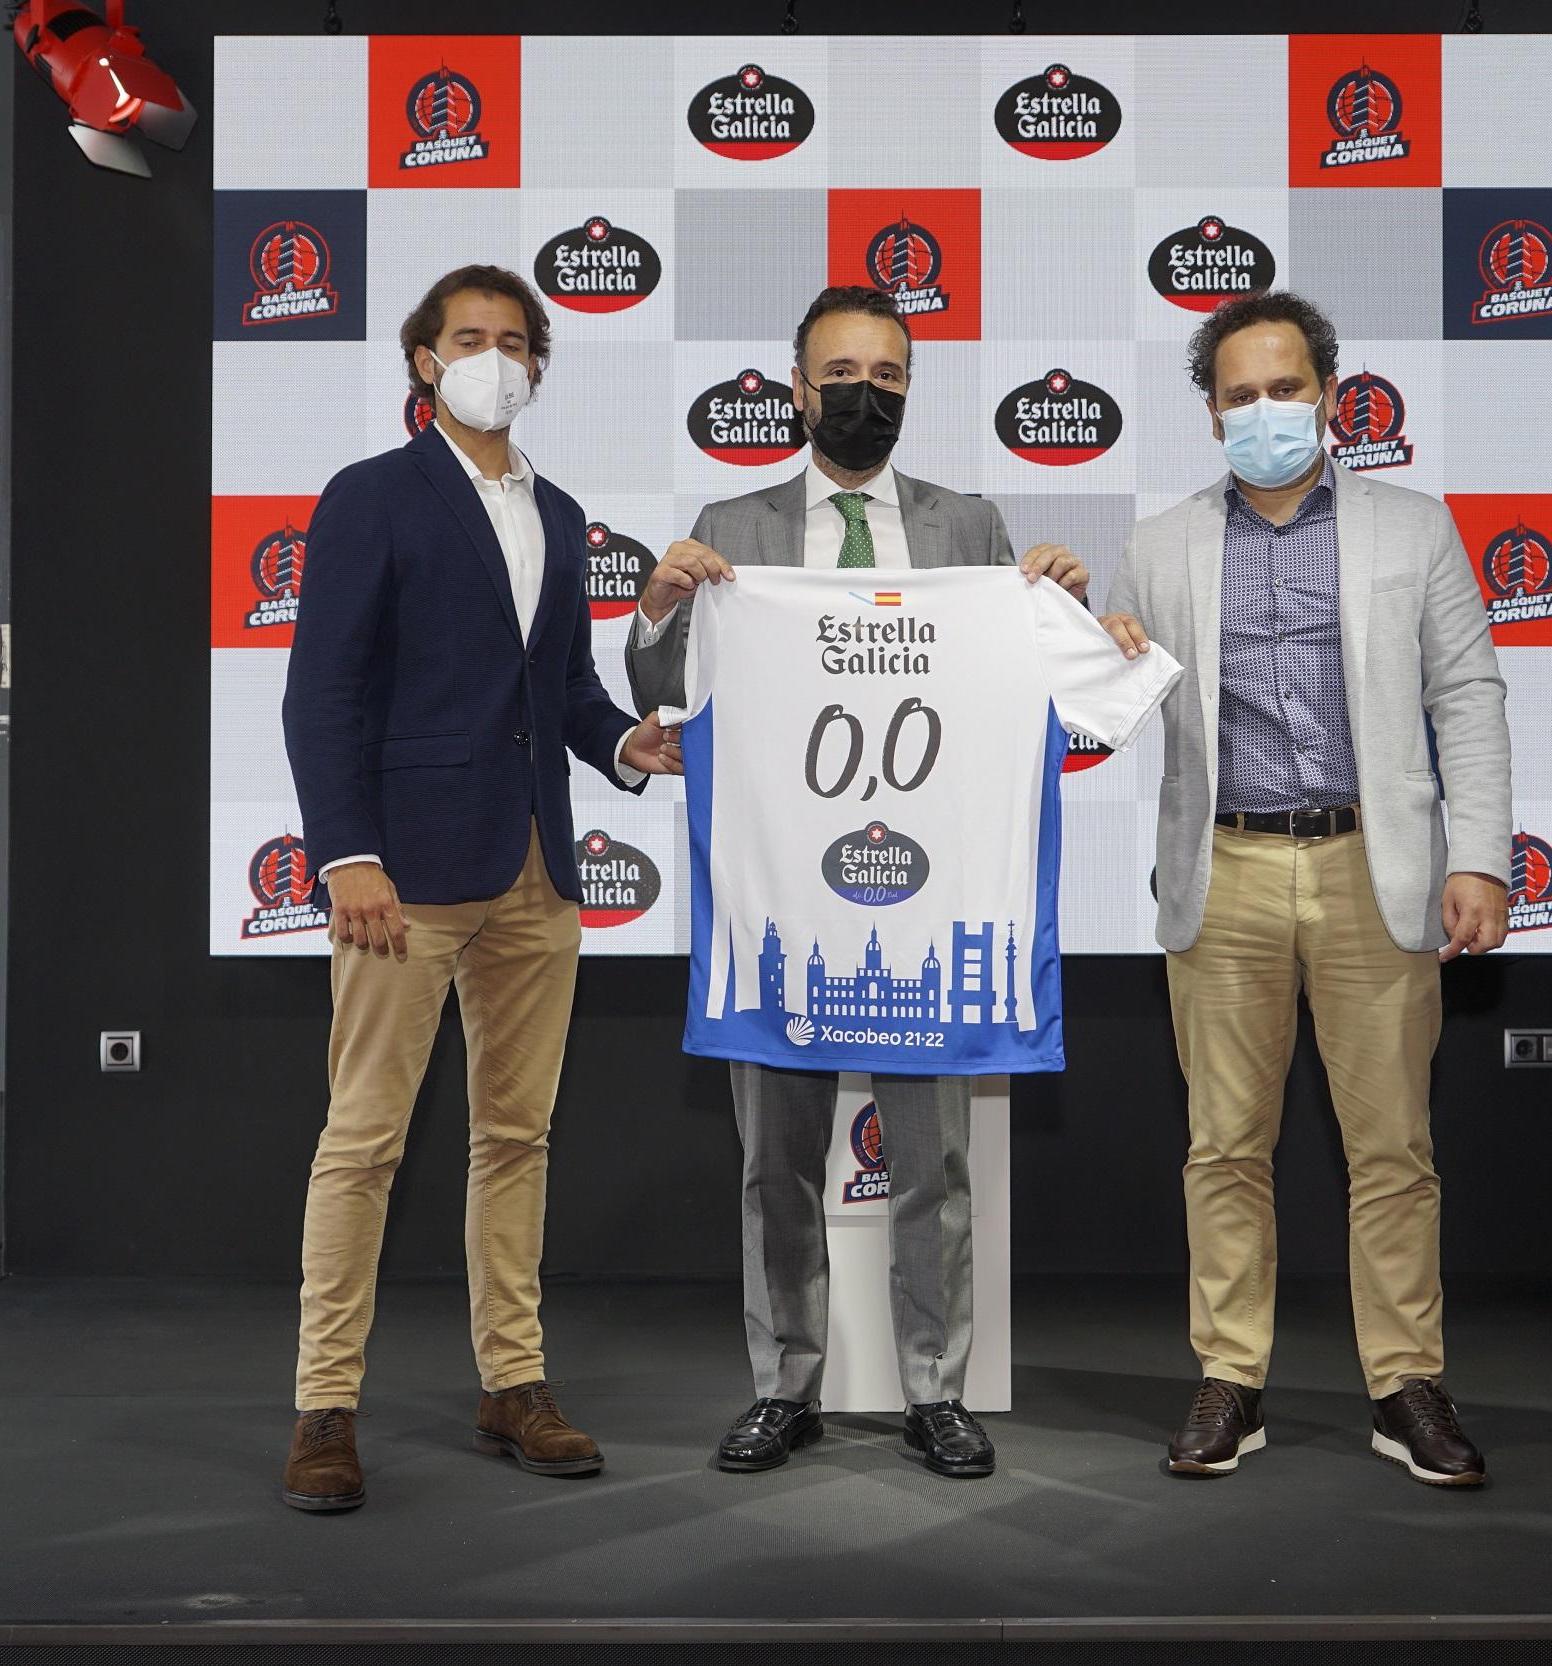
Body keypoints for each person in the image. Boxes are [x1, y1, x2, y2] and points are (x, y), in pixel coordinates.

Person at [625, 286, 1088, 1479]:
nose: (863, 393)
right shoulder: (735, 519)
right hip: (782, 897)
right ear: (795, 389)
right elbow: (663, 687)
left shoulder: (968, 524)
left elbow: (1020, 683)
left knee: (931, 1162)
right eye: (841, 371)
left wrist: (1059, 609)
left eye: (887, 375)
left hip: (923, 900)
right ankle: (787, 1384)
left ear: (909, 387)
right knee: (773, 1164)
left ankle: (936, 1390)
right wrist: (657, 606)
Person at [276, 264, 681, 1513]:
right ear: (422, 363)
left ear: (539, 367)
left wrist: (623, 744)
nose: (493, 356)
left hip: (536, 873)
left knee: (516, 1136)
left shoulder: (559, 513)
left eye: (513, 340)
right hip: (401, 877)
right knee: (364, 1142)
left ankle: (514, 1381)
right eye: (468, 338)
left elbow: (554, 693)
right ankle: (323, 1407)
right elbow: (322, 691)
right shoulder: (370, 497)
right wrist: (346, 853)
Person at [1098, 290, 1513, 1488]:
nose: (1265, 411)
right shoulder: (1160, 543)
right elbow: (1103, 710)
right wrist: (1073, 630)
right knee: (1223, 1144)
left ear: (1328, 395)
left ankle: (1404, 1386)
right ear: (1209, 411)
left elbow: (1466, 698)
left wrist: (1478, 853)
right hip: (1218, 869)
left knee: (1392, 1147)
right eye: (1239, 396)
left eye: (1285, 388)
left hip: (1369, 867)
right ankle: (1231, 1377)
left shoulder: (1412, 527)